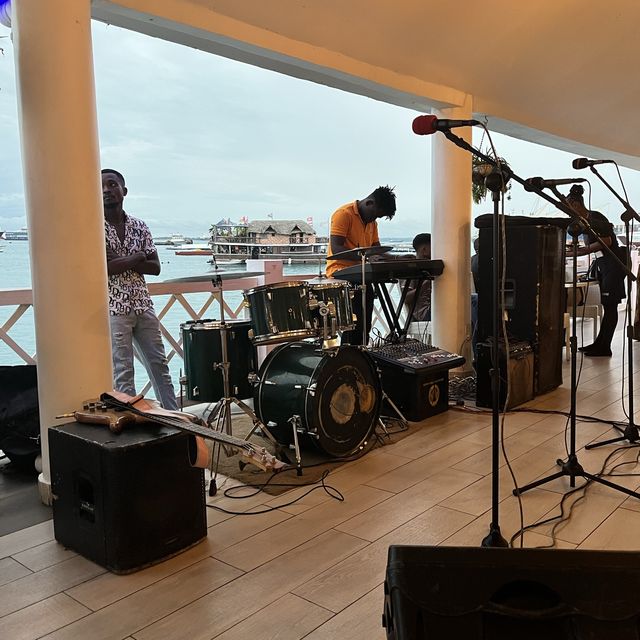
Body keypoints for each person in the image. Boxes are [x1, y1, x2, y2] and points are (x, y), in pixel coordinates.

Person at [102, 169, 179, 409]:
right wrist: (137, 257)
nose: (106, 190)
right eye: (101, 187)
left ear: (123, 191)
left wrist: (122, 260)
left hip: (143, 304)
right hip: (114, 308)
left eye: (112, 184)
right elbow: (106, 268)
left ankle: (175, 418)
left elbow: (155, 267)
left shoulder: (139, 226)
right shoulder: (93, 227)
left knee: (159, 364)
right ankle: (131, 424)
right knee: (123, 372)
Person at [326, 186, 396, 345]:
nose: (375, 220)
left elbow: (377, 249)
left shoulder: (372, 223)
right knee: (355, 325)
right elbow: (337, 248)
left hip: (361, 274)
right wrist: (368, 258)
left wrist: (398, 258)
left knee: (365, 325)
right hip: (341, 273)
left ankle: (360, 358)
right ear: (370, 203)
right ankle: (350, 358)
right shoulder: (343, 214)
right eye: (376, 215)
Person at [566, 184, 626, 357]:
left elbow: (606, 241)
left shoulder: (595, 218)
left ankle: (604, 346)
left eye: (569, 207)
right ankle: (599, 343)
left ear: (576, 204)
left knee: (610, 305)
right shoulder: (583, 223)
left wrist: (583, 251)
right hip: (603, 266)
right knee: (607, 305)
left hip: (613, 265)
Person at [404, 233, 432, 322]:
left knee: (473, 300)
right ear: (424, 249)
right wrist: (425, 284)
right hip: (424, 313)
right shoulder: (410, 269)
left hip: (438, 307)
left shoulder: (432, 267)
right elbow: (405, 298)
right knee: (472, 302)